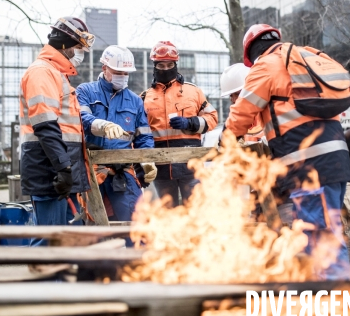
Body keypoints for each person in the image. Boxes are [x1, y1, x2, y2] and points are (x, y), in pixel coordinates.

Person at [224, 24, 350, 280]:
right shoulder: (306, 59)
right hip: (335, 160)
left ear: (251, 53)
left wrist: (226, 137)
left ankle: (337, 307)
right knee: (328, 233)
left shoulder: (267, 65)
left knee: (320, 239)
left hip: (309, 167)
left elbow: (243, 111)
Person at [19, 17, 94, 245]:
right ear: (65, 44)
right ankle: (44, 281)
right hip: (50, 170)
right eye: (78, 47)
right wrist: (63, 167)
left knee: (66, 241)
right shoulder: (42, 72)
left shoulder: (55, 74)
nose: (80, 53)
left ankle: (61, 280)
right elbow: (45, 125)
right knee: (49, 242)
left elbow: (65, 127)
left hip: (60, 169)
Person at [77, 45, 156, 222]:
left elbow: (143, 136)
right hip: (92, 171)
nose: (123, 76)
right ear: (104, 68)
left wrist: (148, 160)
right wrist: (100, 125)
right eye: (118, 71)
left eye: (126, 73)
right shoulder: (86, 92)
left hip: (122, 172)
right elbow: (81, 118)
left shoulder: (134, 101)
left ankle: (134, 251)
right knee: (92, 225)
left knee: (134, 224)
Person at [142, 41, 218, 206]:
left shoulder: (194, 91)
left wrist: (190, 123)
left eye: (170, 64)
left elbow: (212, 118)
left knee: (195, 212)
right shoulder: (144, 98)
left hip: (191, 166)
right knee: (169, 216)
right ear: (154, 66)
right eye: (161, 65)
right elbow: (140, 134)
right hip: (162, 168)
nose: (166, 69)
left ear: (176, 64)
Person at [220, 63, 265, 144]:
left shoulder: (267, 115)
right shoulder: (234, 121)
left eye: (237, 94)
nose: (233, 100)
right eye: (231, 95)